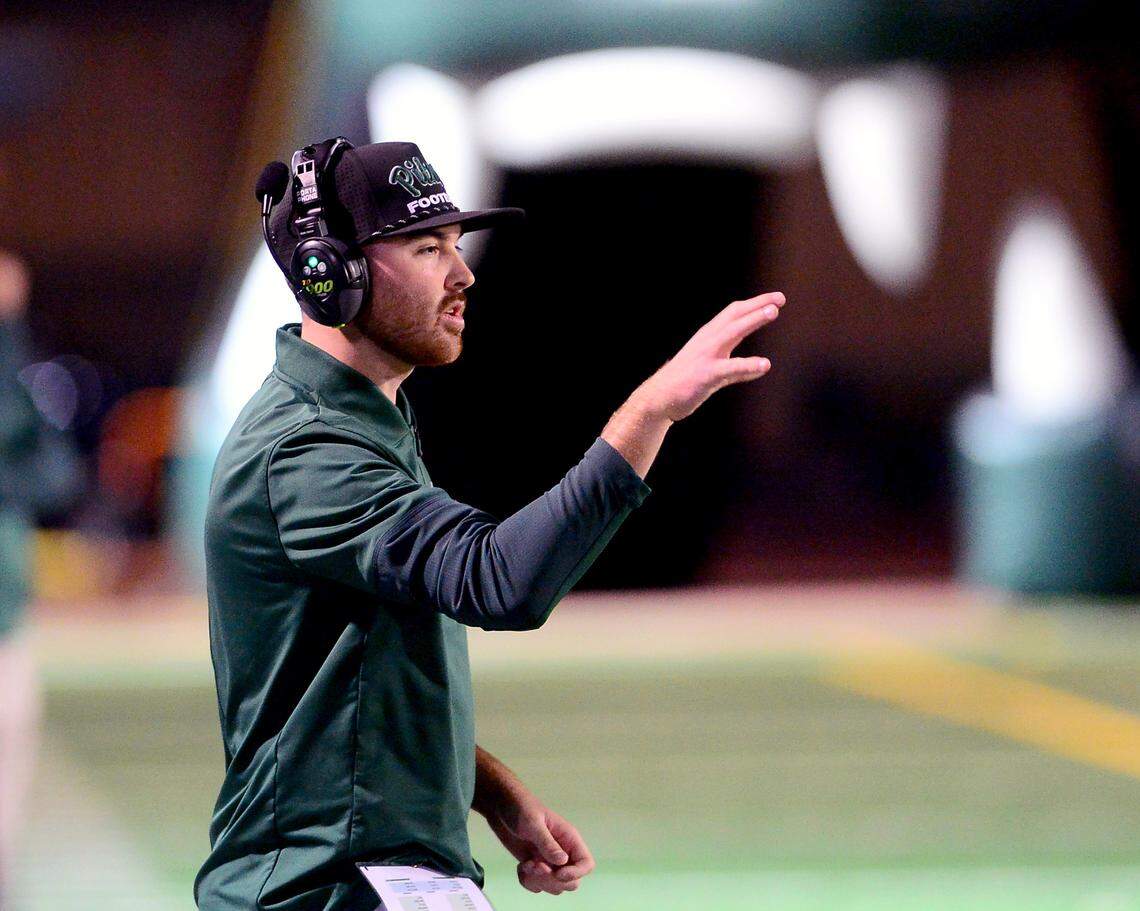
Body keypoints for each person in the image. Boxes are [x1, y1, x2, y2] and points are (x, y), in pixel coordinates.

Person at [195, 139, 784, 910]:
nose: (463, 273)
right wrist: (647, 415)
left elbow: (355, 696)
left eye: (457, 244)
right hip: (328, 887)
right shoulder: (308, 451)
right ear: (329, 272)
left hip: (366, 876)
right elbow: (500, 580)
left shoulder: (364, 422)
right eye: (426, 246)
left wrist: (492, 792)